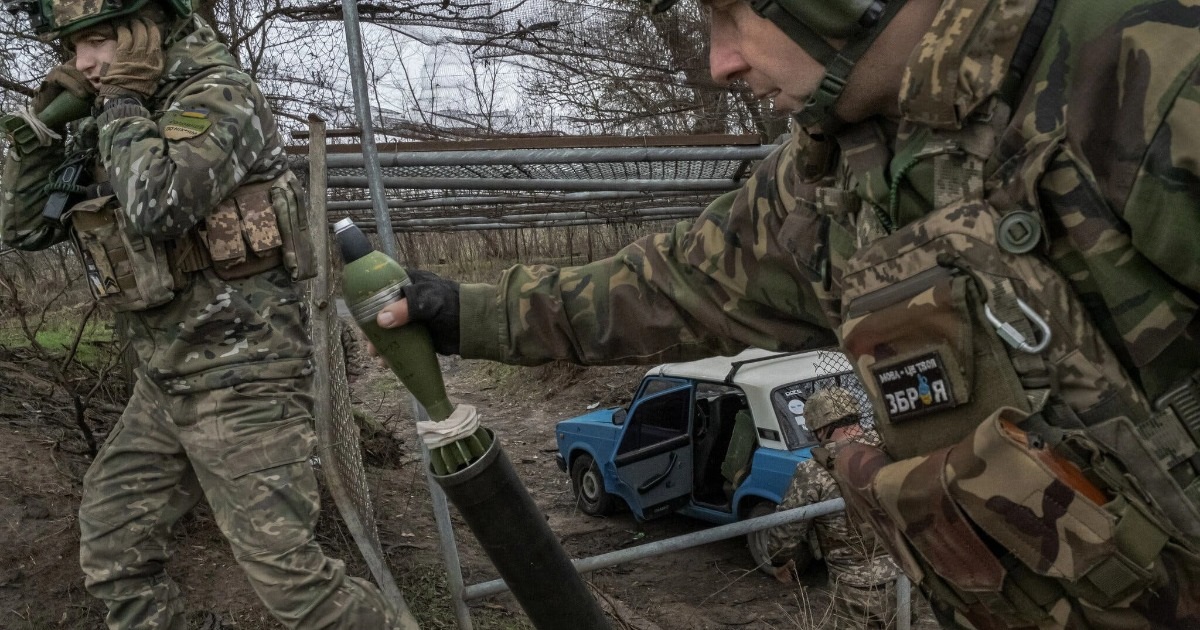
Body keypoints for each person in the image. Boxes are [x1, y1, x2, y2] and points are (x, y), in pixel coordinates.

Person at [378, 0, 1200, 626]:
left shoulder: (1138, 68)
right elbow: (665, 286)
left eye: (733, 12)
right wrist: (465, 313)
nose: (720, 62)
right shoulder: (828, 179)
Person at [0, 2, 410, 628]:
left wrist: (120, 107)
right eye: (73, 48)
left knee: (295, 586)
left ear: (148, 32)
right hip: (166, 383)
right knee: (115, 549)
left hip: (244, 383)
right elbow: (26, 230)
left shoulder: (219, 96)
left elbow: (158, 205)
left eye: (99, 41)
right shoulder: (115, 116)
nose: (82, 62)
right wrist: (42, 131)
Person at [766, 387, 909, 629]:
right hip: (906, 572)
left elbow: (787, 529)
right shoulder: (891, 449)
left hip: (856, 586)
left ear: (821, 429)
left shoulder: (812, 471)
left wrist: (779, 560)